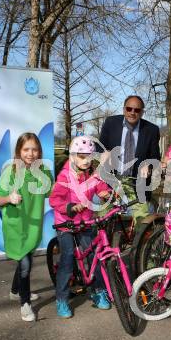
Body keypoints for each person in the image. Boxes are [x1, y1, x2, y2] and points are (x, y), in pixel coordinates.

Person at [0, 132, 53, 322]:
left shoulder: (44, 172)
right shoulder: (10, 172)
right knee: (25, 265)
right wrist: (8, 198)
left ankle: (14, 291)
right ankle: (25, 304)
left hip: (33, 226)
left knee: (25, 260)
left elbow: (55, 191)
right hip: (15, 226)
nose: (30, 153)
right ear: (19, 151)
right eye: (26, 149)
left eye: (34, 149)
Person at [49, 136, 112, 318]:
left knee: (94, 256)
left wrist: (105, 193)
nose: (86, 161)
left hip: (85, 221)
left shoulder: (92, 172)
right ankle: (61, 299)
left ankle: (98, 290)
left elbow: (100, 186)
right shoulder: (64, 175)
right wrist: (69, 207)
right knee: (68, 258)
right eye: (81, 157)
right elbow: (55, 200)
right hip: (66, 223)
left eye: (89, 157)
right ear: (73, 156)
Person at [98, 95, 161, 228]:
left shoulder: (152, 130)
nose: (132, 112)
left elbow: (155, 157)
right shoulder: (110, 123)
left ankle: (138, 247)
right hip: (111, 180)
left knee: (142, 223)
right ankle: (105, 247)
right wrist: (104, 152)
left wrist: (148, 165)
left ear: (142, 112)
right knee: (103, 220)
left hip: (136, 183)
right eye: (129, 109)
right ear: (124, 109)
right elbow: (99, 146)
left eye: (137, 110)